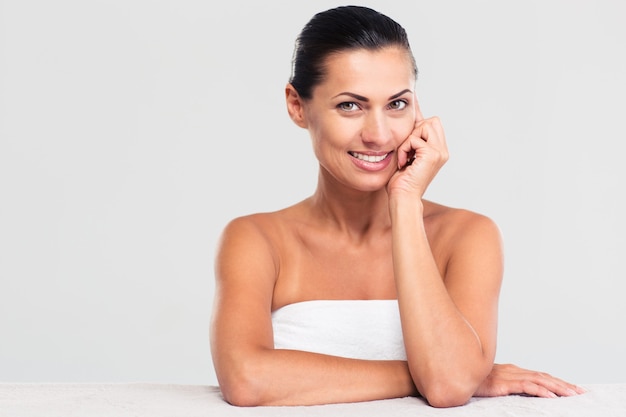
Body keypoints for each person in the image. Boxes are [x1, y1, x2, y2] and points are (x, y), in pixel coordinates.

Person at [209, 5, 585, 408]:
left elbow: (446, 388)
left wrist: (405, 202)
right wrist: (435, 372)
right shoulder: (257, 240)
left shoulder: (468, 236)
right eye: (349, 106)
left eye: (397, 104)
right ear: (297, 106)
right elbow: (246, 380)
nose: (379, 134)